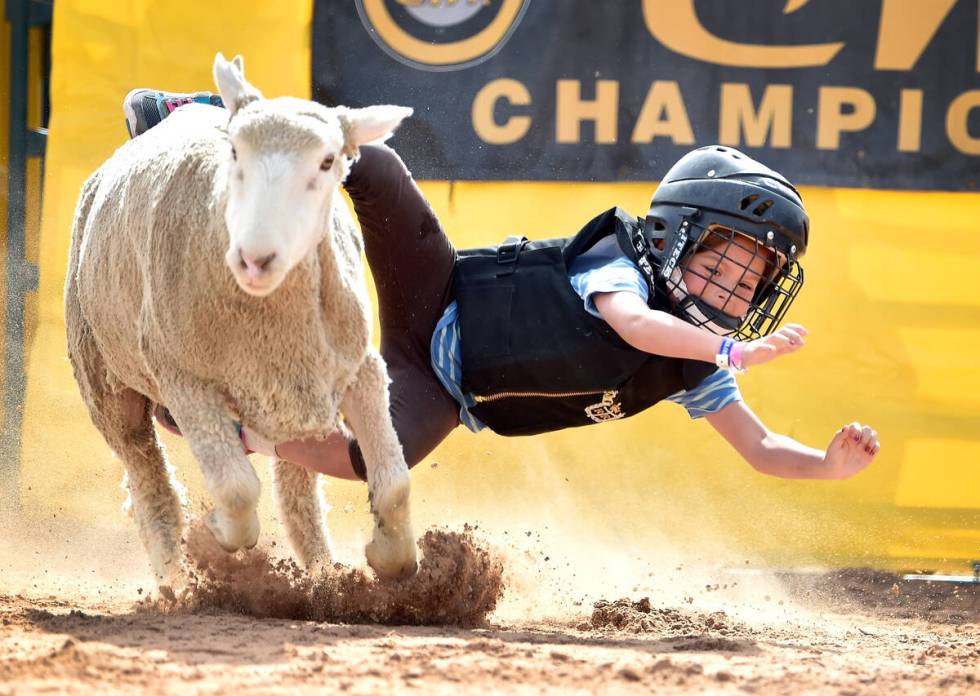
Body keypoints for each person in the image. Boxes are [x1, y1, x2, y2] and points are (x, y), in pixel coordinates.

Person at [124, 89, 880, 484]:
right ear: (673, 234)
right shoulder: (624, 265)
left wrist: (823, 464)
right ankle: (198, 111)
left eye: (751, 281)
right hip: (439, 292)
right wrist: (730, 349)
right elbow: (634, 326)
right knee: (378, 170)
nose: (732, 290)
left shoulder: (697, 366)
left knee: (371, 459)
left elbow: (760, 446)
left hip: (446, 389)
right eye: (722, 262)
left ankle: (238, 433)